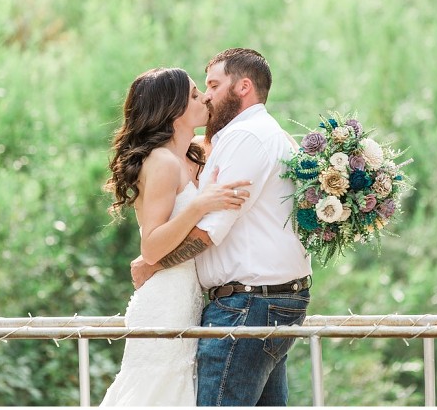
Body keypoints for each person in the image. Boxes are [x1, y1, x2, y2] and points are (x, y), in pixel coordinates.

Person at [131, 48, 313, 406]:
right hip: (257, 299)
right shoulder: (232, 139)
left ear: (243, 87)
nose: (207, 97)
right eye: (199, 93)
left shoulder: (245, 137)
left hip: (247, 303)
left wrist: (153, 263)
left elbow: (212, 230)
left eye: (212, 86)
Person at [100, 67, 252, 406]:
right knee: (156, 393)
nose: (205, 99)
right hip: (164, 301)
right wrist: (199, 206)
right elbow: (151, 247)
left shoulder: (190, 154)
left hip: (189, 298)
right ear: (173, 110)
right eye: (195, 95)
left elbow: (260, 138)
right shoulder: (161, 162)